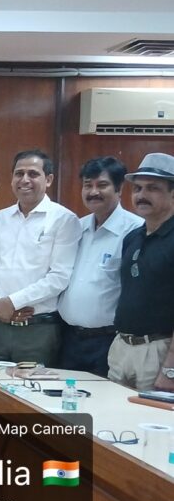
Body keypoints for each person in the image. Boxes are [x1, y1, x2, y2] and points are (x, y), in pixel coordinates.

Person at [0, 149, 81, 366]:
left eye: (33, 174)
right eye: (19, 174)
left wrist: (12, 302)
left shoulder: (64, 220)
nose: (25, 180)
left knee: (31, 386)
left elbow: (59, 277)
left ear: (49, 179)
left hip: (38, 330)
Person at [58, 157, 143, 377]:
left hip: (108, 341)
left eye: (102, 185)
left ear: (119, 189)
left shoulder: (136, 231)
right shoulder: (77, 227)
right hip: (69, 338)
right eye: (88, 185)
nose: (93, 192)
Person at [108, 153, 174, 391]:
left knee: (148, 414)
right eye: (137, 188)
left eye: (153, 188)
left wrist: (170, 369)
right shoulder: (132, 237)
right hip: (121, 347)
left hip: (158, 351)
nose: (141, 195)